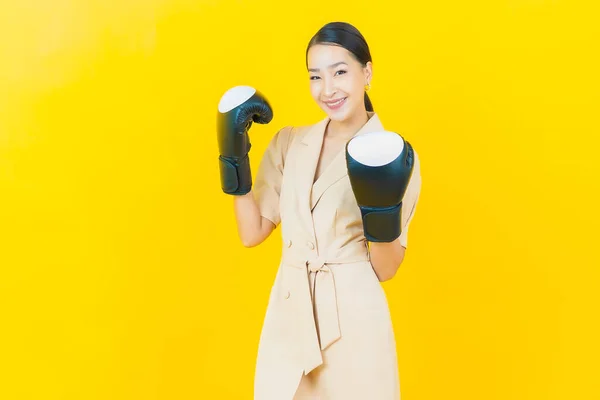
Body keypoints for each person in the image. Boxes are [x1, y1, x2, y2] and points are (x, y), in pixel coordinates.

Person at [216, 21, 422, 400]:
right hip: (289, 314)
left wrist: (382, 211)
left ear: (367, 72)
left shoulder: (393, 156)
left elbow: (386, 268)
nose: (328, 89)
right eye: (315, 76)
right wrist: (233, 160)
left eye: (340, 72)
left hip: (353, 321)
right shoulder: (290, 142)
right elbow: (252, 232)